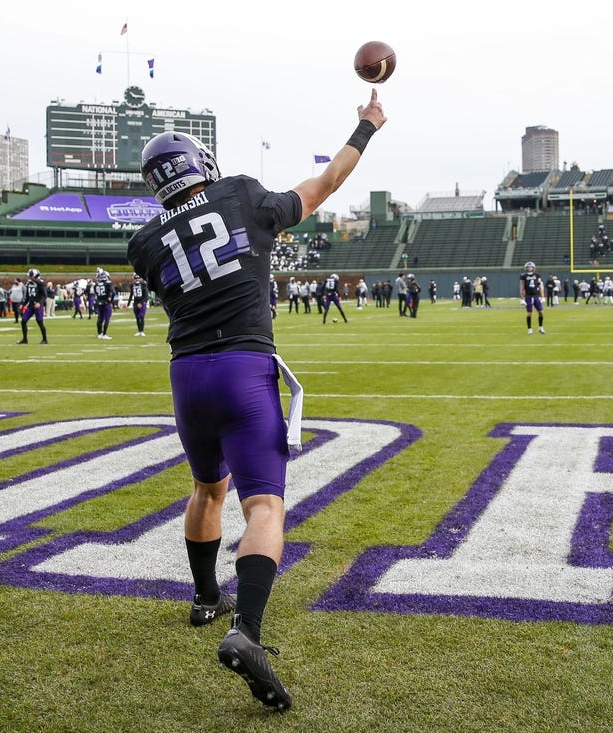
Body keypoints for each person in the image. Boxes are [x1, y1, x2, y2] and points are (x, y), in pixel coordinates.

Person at [127, 89, 386, 712]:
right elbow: (325, 184)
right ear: (201, 165)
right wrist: (367, 128)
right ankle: (247, 630)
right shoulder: (239, 193)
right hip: (244, 365)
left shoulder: (143, 244)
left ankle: (203, 597)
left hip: (186, 373)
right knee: (264, 505)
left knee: (205, 488)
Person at [18, 268, 49, 344]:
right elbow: (28, 296)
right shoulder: (29, 283)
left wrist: (40, 303)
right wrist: (23, 304)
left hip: (38, 306)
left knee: (40, 322)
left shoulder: (41, 283)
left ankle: (45, 339)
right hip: (31, 306)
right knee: (23, 321)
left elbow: (45, 295)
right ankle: (25, 339)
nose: (29, 277)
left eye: (30, 276)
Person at [520, 261, 546, 334]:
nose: (529, 268)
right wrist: (522, 298)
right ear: (526, 268)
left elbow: (540, 286)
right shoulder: (523, 276)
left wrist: (542, 296)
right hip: (528, 296)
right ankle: (529, 328)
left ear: (533, 268)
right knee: (529, 313)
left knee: (541, 312)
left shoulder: (537, 275)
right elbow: (522, 287)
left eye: (531, 267)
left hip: (536, 296)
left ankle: (540, 327)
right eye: (528, 267)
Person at [94, 270, 117, 339]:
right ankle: (104, 334)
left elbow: (96, 293)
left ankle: (99, 334)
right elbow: (113, 293)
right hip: (106, 303)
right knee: (107, 319)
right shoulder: (108, 283)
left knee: (100, 318)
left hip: (99, 302)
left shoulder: (96, 285)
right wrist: (111, 300)